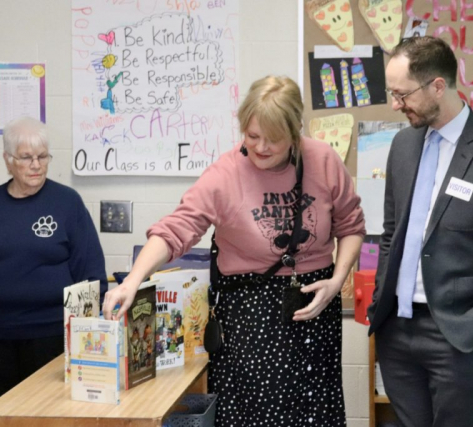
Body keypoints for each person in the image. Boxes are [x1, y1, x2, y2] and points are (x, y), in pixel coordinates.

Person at [103, 75, 365, 426]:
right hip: (250, 315)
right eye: (252, 136)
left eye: (274, 139)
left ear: (295, 131)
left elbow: (351, 226)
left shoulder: (323, 160)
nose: (260, 148)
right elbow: (174, 231)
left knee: (314, 415)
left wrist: (336, 281)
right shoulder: (225, 175)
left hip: (314, 308)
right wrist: (133, 280)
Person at [366, 36, 473, 427]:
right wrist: (379, 306)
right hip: (397, 331)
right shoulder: (403, 145)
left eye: (402, 94)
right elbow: (392, 234)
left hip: (459, 338)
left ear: (438, 86)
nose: (395, 105)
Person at [0, 117, 107, 408]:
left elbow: (91, 274)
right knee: (0, 416)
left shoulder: (67, 203)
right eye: (27, 157)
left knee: (51, 416)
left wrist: (89, 336)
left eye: (42, 156)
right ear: (8, 160)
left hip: (53, 338)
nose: (36, 165)